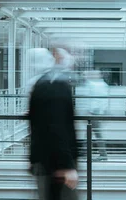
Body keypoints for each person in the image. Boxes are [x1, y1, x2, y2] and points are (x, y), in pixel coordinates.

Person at [27, 48, 79, 200]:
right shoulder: (57, 87)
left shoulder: (39, 85)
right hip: (57, 164)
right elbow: (58, 127)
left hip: (43, 160)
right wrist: (67, 165)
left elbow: (35, 123)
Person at [84, 70, 109, 161]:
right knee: (91, 134)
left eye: (94, 74)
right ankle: (90, 153)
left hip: (94, 113)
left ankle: (102, 155)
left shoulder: (97, 85)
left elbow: (97, 100)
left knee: (95, 134)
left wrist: (92, 111)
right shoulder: (100, 84)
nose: (92, 75)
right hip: (95, 113)